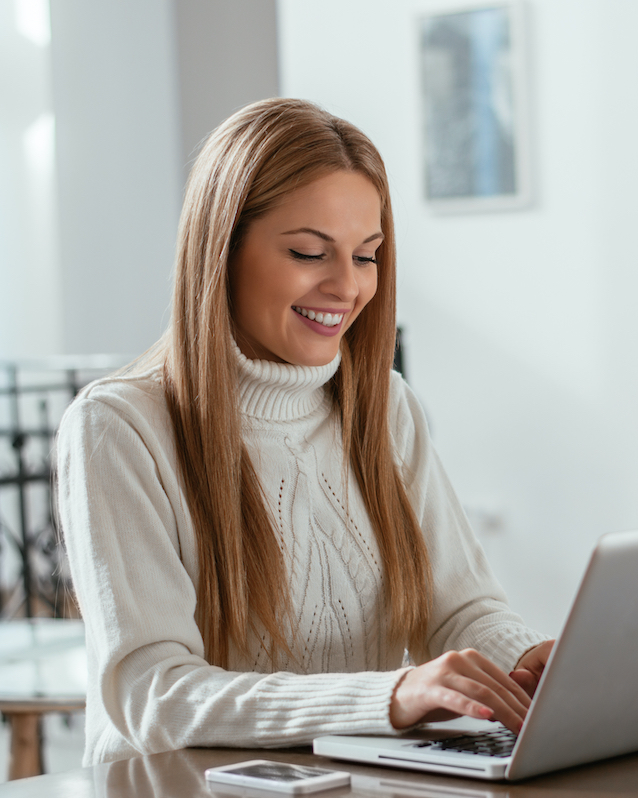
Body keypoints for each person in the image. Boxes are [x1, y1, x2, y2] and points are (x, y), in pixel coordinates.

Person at [57, 98, 554, 765]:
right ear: (222, 250)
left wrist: (532, 661)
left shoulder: (384, 408)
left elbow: (461, 611)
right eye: (309, 252)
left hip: (349, 781)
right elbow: (156, 694)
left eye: (367, 256)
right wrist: (388, 698)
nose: (346, 287)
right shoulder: (118, 428)